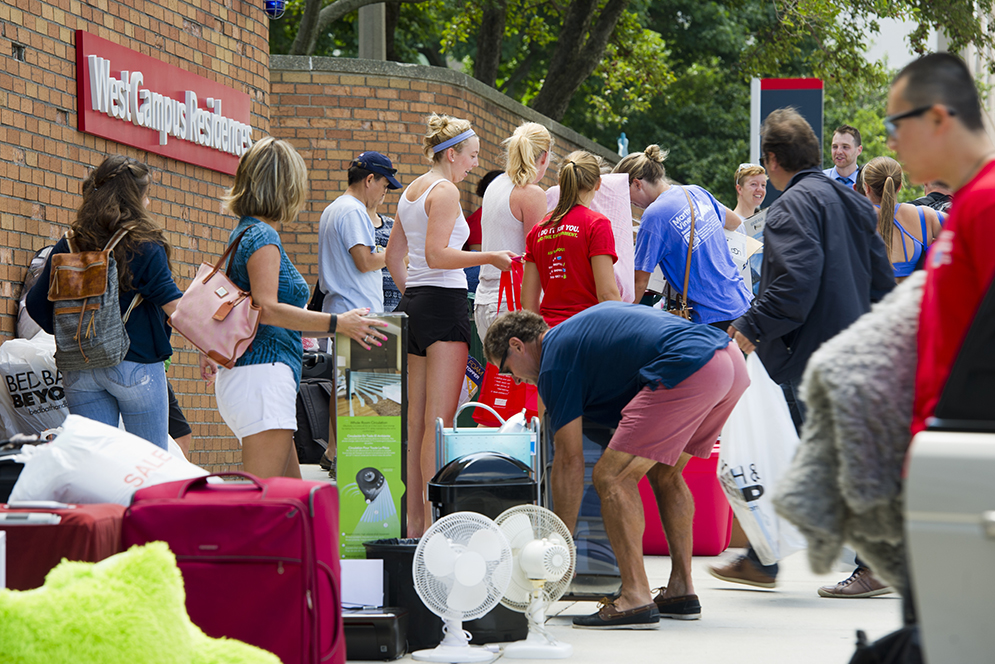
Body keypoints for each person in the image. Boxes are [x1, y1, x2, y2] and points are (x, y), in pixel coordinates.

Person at [715, 108, 895, 592]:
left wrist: (748, 326)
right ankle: (763, 557)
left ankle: (861, 560)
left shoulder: (791, 207)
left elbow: (795, 283)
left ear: (772, 160)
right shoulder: (853, 203)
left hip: (808, 355)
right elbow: (881, 280)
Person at [485, 304, 748, 628]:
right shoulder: (574, 337)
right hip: (727, 361)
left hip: (690, 365)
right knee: (666, 472)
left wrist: (560, 548)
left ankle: (636, 596)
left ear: (517, 345)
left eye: (508, 370)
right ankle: (681, 588)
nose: (516, 381)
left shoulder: (553, 361)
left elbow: (568, 460)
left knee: (610, 476)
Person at [204, 137, 388, 479]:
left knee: (293, 498)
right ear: (284, 185)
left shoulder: (247, 232)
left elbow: (274, 316)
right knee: (266, 503)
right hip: (263, 376)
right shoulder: (263, 238)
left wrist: (341, 326)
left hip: (261, 375)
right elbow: (269, 310)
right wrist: (337, 323)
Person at [385, 113, 516, 537]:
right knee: (437, 424)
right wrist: (490, 258)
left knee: (416, 423)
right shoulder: (443, 192)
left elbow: (393, 257)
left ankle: (415, 524)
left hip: (416, 305)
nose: (474, 165)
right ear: (452, 153)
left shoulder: (411, 190)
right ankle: (431, 528)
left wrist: (415, 295)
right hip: (442, 305)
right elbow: (439, 254)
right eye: (472, 156)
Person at [26, 156, 183, 450]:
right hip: (135, 364)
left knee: (94, 465)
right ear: (134, 198)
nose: (148, 203)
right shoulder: (144, 243)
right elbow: (175, 307)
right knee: (147, 465)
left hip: (79, 368)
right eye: (146, 195)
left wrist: (73, 330)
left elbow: (36, 304)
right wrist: (214, 348)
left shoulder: (71, 243)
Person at [521, 150, 621, 533]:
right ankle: (597, 539)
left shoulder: (538, 231)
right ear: (596, 185)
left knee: (558, 449)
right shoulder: (597, 224)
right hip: (592, 343)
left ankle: (556, 540)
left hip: (550, 348)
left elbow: (529, 307)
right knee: (598, 447)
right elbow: (608, 296)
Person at [613, 145, 751, 329]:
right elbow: (734, 222)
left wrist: (618, 325)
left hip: (712, 318)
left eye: (628, 196)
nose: (630, 203)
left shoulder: (654, 216)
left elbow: (639, 282)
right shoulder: (695, 192)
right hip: (743, 301)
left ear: (637, 183)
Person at [473, 122, 553, 342]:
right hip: (513, 301)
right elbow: (536, 256)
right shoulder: (532, 193)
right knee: (526, 376)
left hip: (485, 298)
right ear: (544, 157)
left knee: (498, 375)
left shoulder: (496, 184)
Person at [318, 151, 402, 317]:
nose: (384, 192)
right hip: (355, 315)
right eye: (384, 186)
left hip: (346, 311)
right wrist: (400, 254)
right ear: (369, 179)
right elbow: (365, 262)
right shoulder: (353, 210)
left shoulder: (335, 208)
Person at [861, 156, 943, 282]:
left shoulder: (854, 220)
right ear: (899, 186)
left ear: (866, 187)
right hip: (912, 300)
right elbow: (970, 230)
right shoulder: (925, 216)